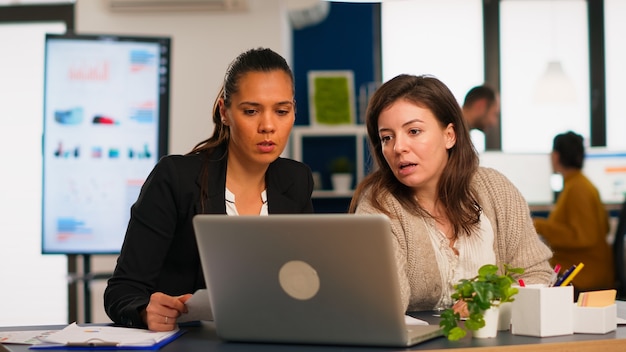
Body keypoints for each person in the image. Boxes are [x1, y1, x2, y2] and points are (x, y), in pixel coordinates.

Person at [104, 47, 314, 331]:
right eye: (251, 111)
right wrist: (143, 310)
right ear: (224, 112)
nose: (268, 126)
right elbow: (122, 290)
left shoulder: (296, 180)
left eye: (281, 111)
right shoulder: (175, 178)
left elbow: (301, 282)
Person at [349, 74, 553, 313]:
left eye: (413, 131)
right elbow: (383, 305)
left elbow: (538, 275)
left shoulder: (497, 189)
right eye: (387, 137)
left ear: (449, 135)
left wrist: (490, 299)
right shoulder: (378, 205)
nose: (398, 147)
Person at [533, 131, 614, 293]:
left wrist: (539, 225)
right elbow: (605, 227)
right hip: (586, 271)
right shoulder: (580, 184)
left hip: (583, 277)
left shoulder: (577, 189)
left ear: (556, 157)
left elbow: (584, 238)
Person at [462, 84, 500, 152]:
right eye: (494, 114)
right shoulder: (453, 133)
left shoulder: (461, 134)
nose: (494, 122)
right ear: (481, 106)